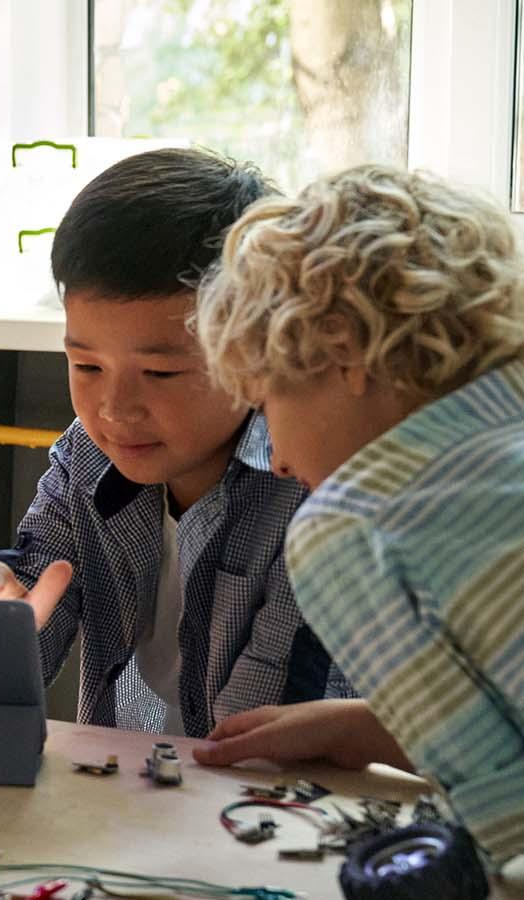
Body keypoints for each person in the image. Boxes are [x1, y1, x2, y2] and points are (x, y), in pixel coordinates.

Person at [0, 149, 352, 737]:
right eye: (85, 366)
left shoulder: (309, 493)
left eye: (160, 373)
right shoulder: (88, 457)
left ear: (254, 350)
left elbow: (255, 753)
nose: (114, 410)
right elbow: (36, 588)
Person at [192, 165, 524, 864]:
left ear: (343, 350)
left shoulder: (354, 526)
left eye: (267, 403)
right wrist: (365, 728)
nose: (277, 458)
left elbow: (507, 819)